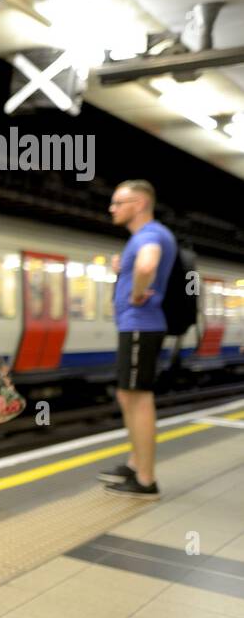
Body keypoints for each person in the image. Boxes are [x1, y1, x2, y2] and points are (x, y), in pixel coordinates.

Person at [99, 179, 177, 499]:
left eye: (119, 203)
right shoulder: (147, 236)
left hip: (139, 326)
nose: (112, 208)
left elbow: (148, 263)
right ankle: (136, 464)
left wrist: (135, 291)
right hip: (139, 327)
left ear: (140, 204)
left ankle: (146, 480)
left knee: (137, 397)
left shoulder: (151, 235)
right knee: (127, 395)